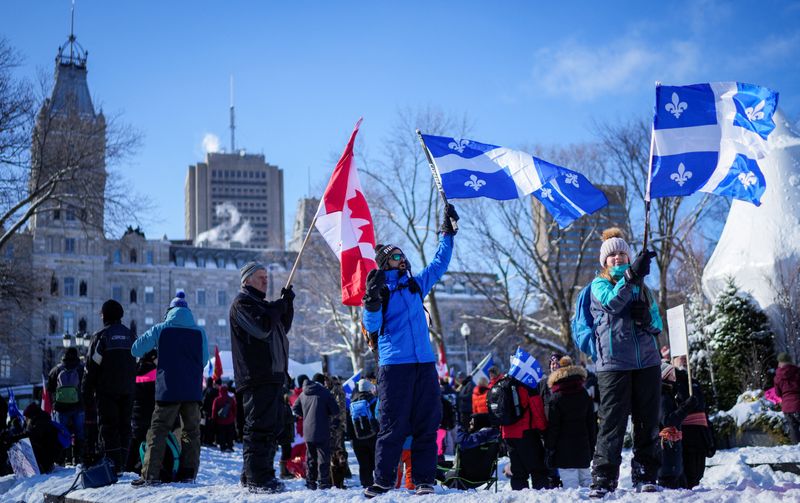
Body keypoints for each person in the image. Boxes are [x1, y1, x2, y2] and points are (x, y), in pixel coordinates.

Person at [360, 203, 458, 498]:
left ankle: (424, 480)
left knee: (427, 422)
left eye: (402, 255)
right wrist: (371, 301)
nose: (402, 259)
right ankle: (384, 479)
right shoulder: (381, 289)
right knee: (392, 424)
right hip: (394, 365)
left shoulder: (415, 285)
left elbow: (439, 265)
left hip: (424, 364)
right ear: (384, 263)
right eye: (395, 257)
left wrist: (447, 234)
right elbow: (372, 326)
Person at [588, 228, 662, 497]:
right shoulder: (598, 285)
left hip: (647, 362)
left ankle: (646, 474)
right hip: (614, 364)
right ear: (604, 261)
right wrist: (631, 276)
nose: (618, 258)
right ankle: (604, 479)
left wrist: (646, 319)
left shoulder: (644, 288)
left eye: (622, 253)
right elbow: (611, 303)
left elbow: (657, 324)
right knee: (612, 423)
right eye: (613, 255)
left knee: (647, 422)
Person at [130, 290, 209, 486]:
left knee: (158, 430)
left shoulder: (162, 328)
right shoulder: (199, 332)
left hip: (168, 390)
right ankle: (188, 473)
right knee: (191, 432)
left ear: (170, 311)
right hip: (192, 391)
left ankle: (150, 475)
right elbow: (204, 360)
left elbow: (136, 349)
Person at [230, 261, 294, 493]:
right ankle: (259, 478)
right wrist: (277, 307)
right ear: (246, 280)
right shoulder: (242, 303)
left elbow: (280, 328)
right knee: (259, 428)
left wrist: (287, 305)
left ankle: (255, 473)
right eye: (260, 277)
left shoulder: (262, 305)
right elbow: (263, 327)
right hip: (257, 375)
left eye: (266, 277)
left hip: (273, 375)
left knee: (271, 427)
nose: (265, 280)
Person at [83, 299, 137, 473]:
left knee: (108, 427)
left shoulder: (101, 337)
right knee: (125, 426)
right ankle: (123, 464)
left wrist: (86, 392)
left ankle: (114, 465)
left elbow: (91, 368)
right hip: (128, 391)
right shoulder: (131, 336)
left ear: (105, 316)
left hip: (106, 391)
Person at [545, 356, 596, 489]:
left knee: (570, 486)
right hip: (583, 444)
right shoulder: (584, 394)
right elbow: (591, 423)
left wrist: (550, 448)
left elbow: (553, 427)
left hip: (564, 448)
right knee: (586, 481)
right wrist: (592, 444)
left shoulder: (556, 397)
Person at [672, 355, 714, 489]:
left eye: (685, 357)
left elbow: (704, 409)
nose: (683, 360)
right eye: (679, 357)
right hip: (685, 433)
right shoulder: (671, 383)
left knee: (698, 471)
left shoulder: (694, 382)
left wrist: (710, 437)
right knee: (687, 474)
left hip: (700, 433)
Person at [292, 373, 339, 490]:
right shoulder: (325, 392)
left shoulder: (303, 393)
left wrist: (306, 416)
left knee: (310, 458)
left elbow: (295, 409)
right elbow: (335, 410)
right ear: (322, 382)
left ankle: (310, 482)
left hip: (308, 431)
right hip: (322, 429)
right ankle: (324, 482)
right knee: (323, 457)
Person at [501, 376, 549, 490]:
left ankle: (520, 496)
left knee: (518, 471)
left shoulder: (503, 385)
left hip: (508, 433)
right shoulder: (527, 387)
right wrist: (543, 429)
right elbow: (537, 410)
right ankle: (542, 496)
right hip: (526, 432)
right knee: (537, 468)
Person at [657, 362, 698, 489]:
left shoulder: (668, 395)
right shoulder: (662, 397)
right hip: (668, 457)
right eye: (671, 375)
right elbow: (668, 421)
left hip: (673, 458)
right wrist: (686, 407)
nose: (675, 379)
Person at [47, 346, 85, 465]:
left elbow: (50, 389)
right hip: (78, 407)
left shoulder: (56, 370)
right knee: (79, 433)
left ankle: (62, 458)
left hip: (60, 408)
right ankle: (77, 458)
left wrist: (54, 402)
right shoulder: (81, 369)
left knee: (61, 432)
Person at [125, 349, 157, 474]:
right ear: (153, 358)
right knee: (148, 442)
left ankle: (128, 466)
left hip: (135, 411)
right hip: (149, 411)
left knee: (135, 440)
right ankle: (142, 467)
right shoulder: (155, 372)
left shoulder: (136, 369)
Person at [348, 379, 379, 488]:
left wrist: (352, 438)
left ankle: (366, 483)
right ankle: (378, 483)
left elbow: (348, 423)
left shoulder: (352, 402)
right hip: (373, 437)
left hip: (357, 438)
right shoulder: (374, 401)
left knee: (363, 463)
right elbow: (378, 418)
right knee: (376, 461)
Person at [15, 403, 62, 474]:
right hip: (45, 451)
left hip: (48, 453)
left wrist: (17, 437)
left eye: (28, 417)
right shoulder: (37, 419)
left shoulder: (42, 421)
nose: (27, 419)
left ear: (32, 415)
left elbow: (32, 434)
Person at [775, 352, 800, 444]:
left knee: (793, 429)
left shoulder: (777, 377)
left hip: (787, 407)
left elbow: (778, 393)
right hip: (798, 403)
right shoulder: (797, 372)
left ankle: (796, 448)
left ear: (780, 363)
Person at [212, 383, 237, 452]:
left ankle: (223, 446)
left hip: (220, 420)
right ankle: (230, 446)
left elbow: (214, 410)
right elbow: (234, 409)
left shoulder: (217, 400)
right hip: (230, 420)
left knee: (222, 434)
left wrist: (214, 418)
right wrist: (233, 417)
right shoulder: (231, 399)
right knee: (230, 434)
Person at [277, 392, 296, 479]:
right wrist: (294, 418)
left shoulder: (285, 405)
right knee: (286, 452)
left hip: (286, 432)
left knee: (287, 452)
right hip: (285, 433)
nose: (291, 396)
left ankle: (285, 471)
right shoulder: (283, 406)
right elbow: (284, 419)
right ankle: (283, 472)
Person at [201, 378, 218, 446]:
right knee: (211, 427)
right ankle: (209, 441)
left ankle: (204, 440)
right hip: (213, 411)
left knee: (203, 427)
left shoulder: (204, 390)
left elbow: (203, 401)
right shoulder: (215, 391)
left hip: (204, 411)